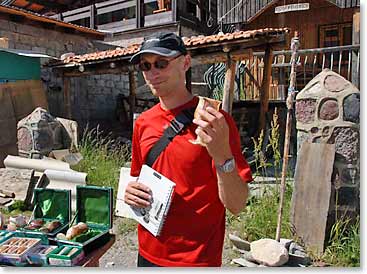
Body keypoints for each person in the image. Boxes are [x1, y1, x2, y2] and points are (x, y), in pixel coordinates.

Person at [124, 32, 253, 267]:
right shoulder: (143, 123)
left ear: (185, 62)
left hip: (196, 260)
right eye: (145, 65)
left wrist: (222, 153)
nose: (152, 73)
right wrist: (131, 192)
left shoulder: (215, 122)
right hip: (148, 253)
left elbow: (237, 204)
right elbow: (137, 178)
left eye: (161, 63)